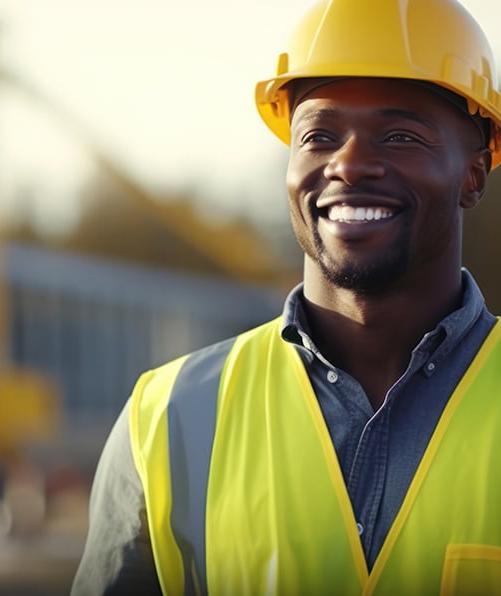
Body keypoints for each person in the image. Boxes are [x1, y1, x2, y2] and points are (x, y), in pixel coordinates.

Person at [71, 0, 501, 594]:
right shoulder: (167, 418)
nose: (349, 163)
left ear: (474, 174)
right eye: (319, 135)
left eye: (400, 135)